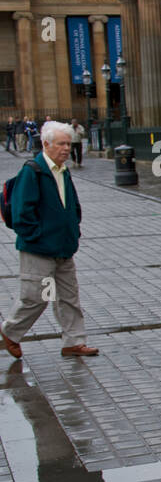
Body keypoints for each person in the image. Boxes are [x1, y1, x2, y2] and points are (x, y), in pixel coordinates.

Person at [0, 120, 99, 358]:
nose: (67, 148)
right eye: (61, 144)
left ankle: (73, 341)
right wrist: (38, 237)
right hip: (39, 249)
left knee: (69, 297)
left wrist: (73, 230)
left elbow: (72, 205)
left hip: (63, 247)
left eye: (69, 143)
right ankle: (10, 332)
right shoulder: (32, 171)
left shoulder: (62, 171)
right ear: (46, 144)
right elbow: (23, 213)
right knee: (35, 297)